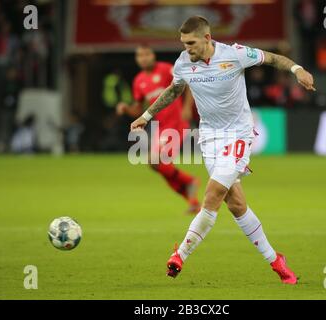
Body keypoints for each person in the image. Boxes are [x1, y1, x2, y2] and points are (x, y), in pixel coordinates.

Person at [130, 16, 315, 284]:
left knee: (213, 193)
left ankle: (180, 254)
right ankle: (276, 260)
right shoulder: (183, 63)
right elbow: (173, 91)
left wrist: (297, 69)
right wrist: (146, 117)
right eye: (183, 43)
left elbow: (273, 58)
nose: (187, 48)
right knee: (236, 204)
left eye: (191, 43)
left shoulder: (235, 54)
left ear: (207, 38)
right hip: (209, 138)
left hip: (238, 134)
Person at [118, 44, 201, 214]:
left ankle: (191, 181)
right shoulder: (139, 81)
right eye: (140, 55)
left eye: (147, 54)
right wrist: (126, 109)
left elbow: (187, 83)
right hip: (161, 127)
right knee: (154, 164)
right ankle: (192, 200)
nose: (144, 58)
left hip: (176, 123)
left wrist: (187, 108)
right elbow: (138, 109)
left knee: (156, 161)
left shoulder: (165, 69)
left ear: (153, 55)